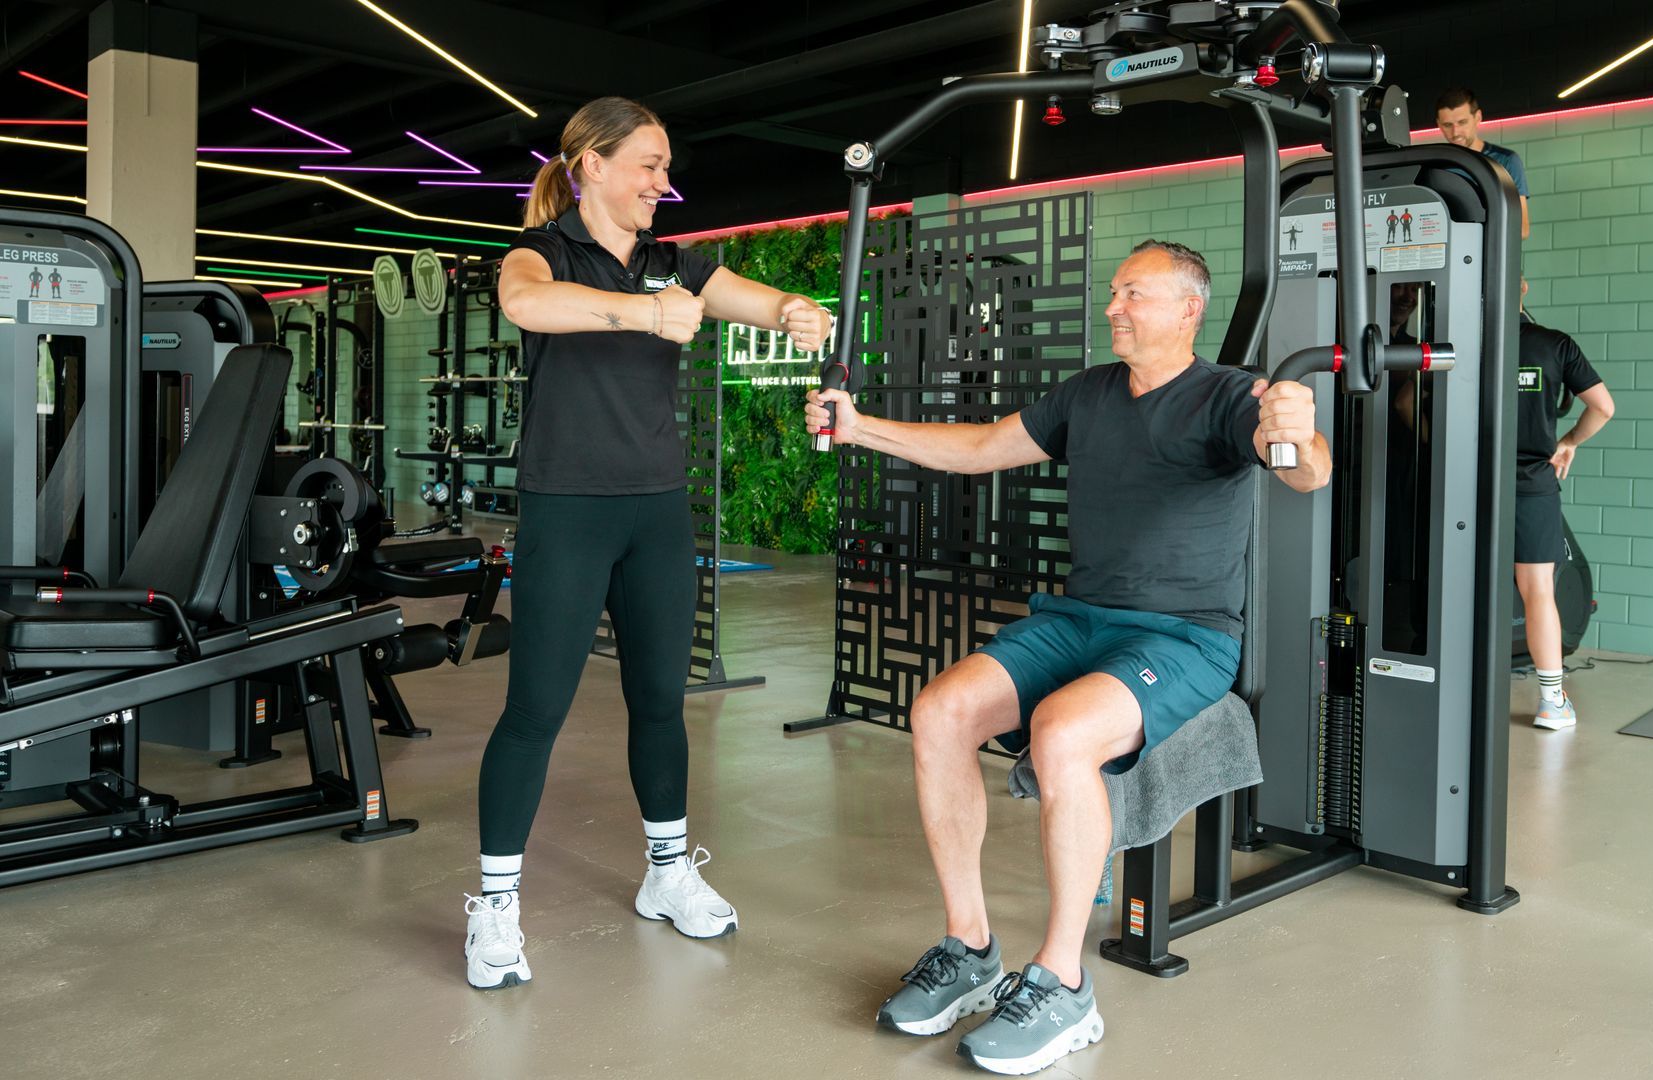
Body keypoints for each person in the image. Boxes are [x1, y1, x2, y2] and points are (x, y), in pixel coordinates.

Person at [806, 240, 1329, 1074]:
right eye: (1115, 291)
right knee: (939, 712)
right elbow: (979, 448)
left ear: (1189, 308)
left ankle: (1061, 982)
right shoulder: (1087, 394)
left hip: (1184, 638)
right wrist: (859, 426)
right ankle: (970, 948)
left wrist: (1298, 434)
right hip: (1079, 618)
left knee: (1060, 733)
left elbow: (1301, 472)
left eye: (1135, 294)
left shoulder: (1232, 397)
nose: (1114, 306)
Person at [461, 97, 829, 991]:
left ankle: (668, 874)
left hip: (657, 510)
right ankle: (495, 907)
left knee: (660, 699)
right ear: (590, 163)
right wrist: (639, 314)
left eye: (667, 168)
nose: (665, 184)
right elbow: (525, 305)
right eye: (648, 165)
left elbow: (750, 297)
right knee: (536, 709)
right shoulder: (542, 252)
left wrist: (793, 311)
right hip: (567, 507)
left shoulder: (676, 262)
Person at [1515, 284, 1613, 729]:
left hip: (1467, 482)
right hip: (1533, 482)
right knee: (1538, 590)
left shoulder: (1458, 338)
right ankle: (1552, 702)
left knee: (1459, 584)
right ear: (1522, 287)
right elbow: (1603, 407)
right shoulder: (1554, 344)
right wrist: (1568, 440)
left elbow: (1405, 399)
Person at [1436, 87, 1530, 239]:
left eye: (1462, 122)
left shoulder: (1506, 160)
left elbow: (1521, 229)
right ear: (1439, 124)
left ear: (1478, 117)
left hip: (1491, 258)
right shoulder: (1435, 167)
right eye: (1448, 125)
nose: (1456, 132)